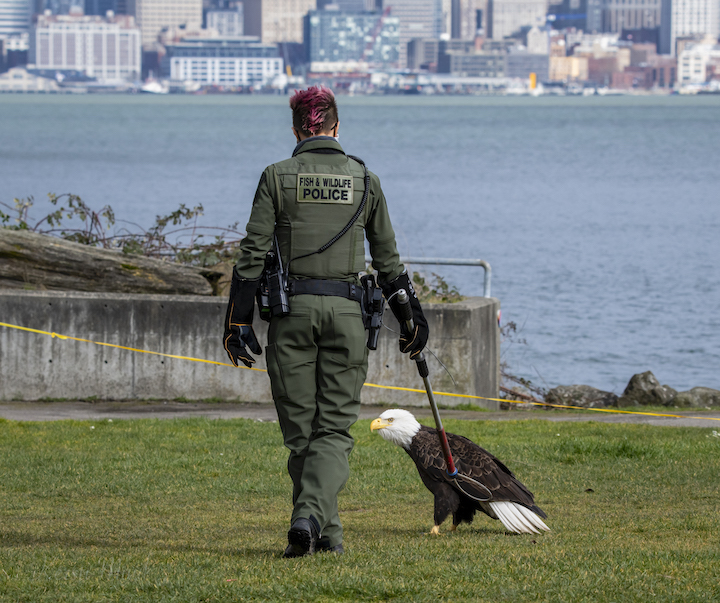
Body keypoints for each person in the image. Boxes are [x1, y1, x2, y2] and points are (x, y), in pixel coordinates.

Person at [223, 86, 429, 557]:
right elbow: (388, 262)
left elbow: (252, 255)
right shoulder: (365, 179)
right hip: (347, 316)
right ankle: (323, 532)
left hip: (290, 315)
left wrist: (237, 320)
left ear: (297, 130)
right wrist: (410, 316)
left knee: (302, 435)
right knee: (332, 431)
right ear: (337, 127)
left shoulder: (276, 176)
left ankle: (310, 523)